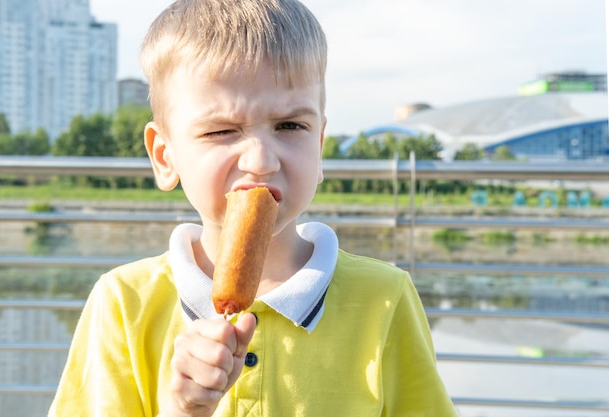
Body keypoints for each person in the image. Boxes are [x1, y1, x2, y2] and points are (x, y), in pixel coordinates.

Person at [48, 0, 457, 416]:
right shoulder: (124, 302)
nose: (261, 161)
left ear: (319, 146)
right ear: (165, 156)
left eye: (290, 126)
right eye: (221, 130)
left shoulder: (384, 298)